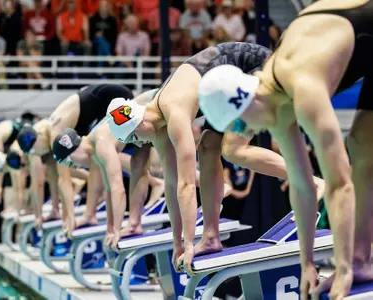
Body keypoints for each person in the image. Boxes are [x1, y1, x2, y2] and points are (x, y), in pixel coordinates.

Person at [196, 1, 373, 298]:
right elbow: (303, 186)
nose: (247, 133)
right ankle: (361, 261)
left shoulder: (302, 85)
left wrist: (341, 269)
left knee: (360, 146)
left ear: (248, 102)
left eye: (240, 126)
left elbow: (340, 184)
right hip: (357, 41)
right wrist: (306, 263)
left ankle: (356, 261)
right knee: (361, 143)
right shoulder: (274, 102)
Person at [106, 42, 325, 275]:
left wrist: (189, 244)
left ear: (139, 123)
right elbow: (172, 184)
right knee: (209, 148)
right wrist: (178, 243)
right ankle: (211, 236)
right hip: (221, 83)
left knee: (233, 150)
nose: (138, 144)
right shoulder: (158, 126)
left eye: (134, 138)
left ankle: (312, 182)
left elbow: (187, 185)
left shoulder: (174, 113)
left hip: (255, 68)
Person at [51, 93, 166, 248]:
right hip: (142, 114)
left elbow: (118, 189)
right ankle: (134, 224)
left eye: (72, 163)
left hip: (156, 103)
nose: (76, 167)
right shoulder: (95, 149)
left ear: (75, 149)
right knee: (137, 165)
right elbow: (109, 191)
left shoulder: (101, 142)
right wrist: (110, 228)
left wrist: (117, 230)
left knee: (170, 169)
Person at [16, 84, 134, 235]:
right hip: (99, 102)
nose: (35, 155)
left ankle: (91, 214)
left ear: (38, 138)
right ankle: (90, 213)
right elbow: (53, 178)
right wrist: (56, 211)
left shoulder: (55, 134)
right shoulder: (45, 135)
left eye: (33, 151)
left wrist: (70, 217)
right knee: (97, 157)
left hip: (112, 97)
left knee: (99, 155)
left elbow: (63, 180)